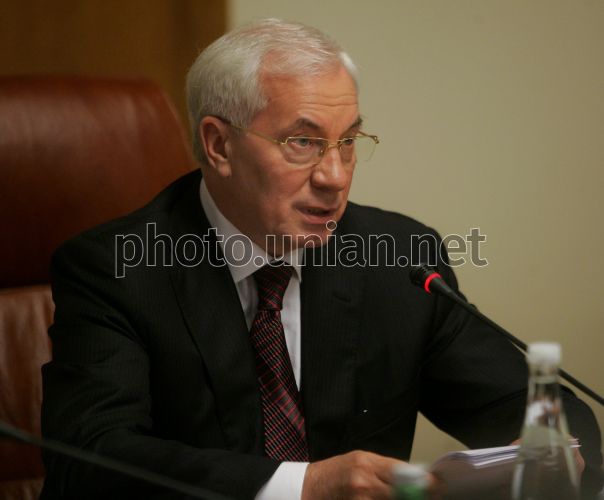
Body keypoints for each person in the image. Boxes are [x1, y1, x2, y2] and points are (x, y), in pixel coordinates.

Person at [41, 19, 602, 500]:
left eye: (349, 141)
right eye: (302, 142)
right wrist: (303, 487)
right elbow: (89, 460)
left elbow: (545, 413)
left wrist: (547, 455)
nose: (335, 177)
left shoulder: (400, 260)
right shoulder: (117, 269)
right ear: (218, 145)